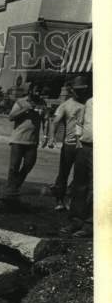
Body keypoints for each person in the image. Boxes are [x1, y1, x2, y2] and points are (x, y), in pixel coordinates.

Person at [49, 76, 89, 210]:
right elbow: (55, 122)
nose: (80, 92)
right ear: (72, 90)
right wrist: (51, 138)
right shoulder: (66, 105)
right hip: (69, 144)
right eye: (77, 90)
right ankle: (59, 200)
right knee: (64, 172)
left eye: (82, 90)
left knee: (81, 175)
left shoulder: (89, 104)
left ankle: (71, 199)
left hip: (84, 145)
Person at [5, 82, 45, 200]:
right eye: (36, 90)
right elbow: (11, 117)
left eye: (40, 91)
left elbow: (46, 119)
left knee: (29, 164)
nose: (38, 93)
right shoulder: (21, 102)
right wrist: (26, 109)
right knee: (14, 166)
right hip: (18, 140)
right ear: (30, 91)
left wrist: (46, 136)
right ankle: (10, 190)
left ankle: (16, 185)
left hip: (33, 141)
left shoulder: (42, 103)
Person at [67, 95, 93, 233]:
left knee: (95, 188)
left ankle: (90, 224)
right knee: (79, 184)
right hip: (85, 146)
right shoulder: (90, 102)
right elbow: (80, 122)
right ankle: (76, 221)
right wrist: (78, 140)